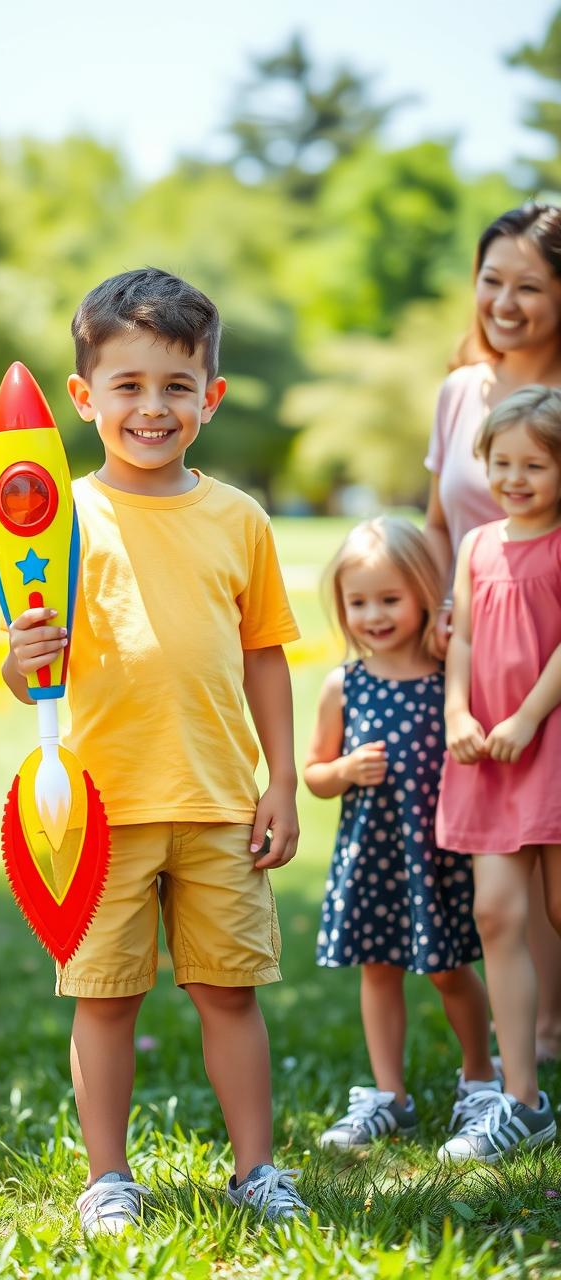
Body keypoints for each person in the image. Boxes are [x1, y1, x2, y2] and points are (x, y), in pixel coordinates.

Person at [3, 269, 305, 1233]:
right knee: (104, 1000)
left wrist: (283, 780)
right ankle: (108, 1179)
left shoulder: (238, 520)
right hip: (99, 808)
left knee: (229, 992)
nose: (152, 407)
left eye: (177, 386)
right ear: (84, 397)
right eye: (127, 386)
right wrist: (21, 661)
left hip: (219, 799)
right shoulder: (59, 520)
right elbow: (28, 671)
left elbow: (264, 656)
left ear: (210, 399)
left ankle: (256, 1169)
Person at [304, 517, 496, 1152]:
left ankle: (480, 1077)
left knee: (450, 971)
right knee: (378, 970)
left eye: (389, 599)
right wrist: (343, 770)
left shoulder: (451, 679)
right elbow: (314, 773)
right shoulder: (345, 685)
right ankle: (390, 1096)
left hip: (439, 853)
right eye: (358, 602)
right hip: (374, 855)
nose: (373, 615)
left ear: (423, 595)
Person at [425, 202, 561, 1063]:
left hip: (551, 651)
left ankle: (549, 1029)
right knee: (507, 857)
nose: (503, 302)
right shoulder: (459, 393)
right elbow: (442, 517)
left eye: (529, 286)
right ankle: (533, 1039)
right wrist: (443, 602)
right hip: (474, 660)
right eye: (490, 281)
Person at [436, 386, 561, 1162]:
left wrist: (526, 717)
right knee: (497, 917)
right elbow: (465, 644)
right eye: (502, 463)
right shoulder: (478, 545)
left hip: (546, 738)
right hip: (489, 752)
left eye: (536, 465)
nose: (515, 478)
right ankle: (521, 1099)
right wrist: (458, 713)